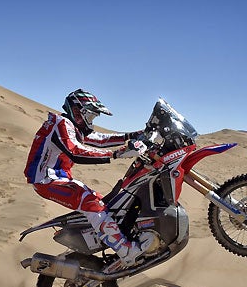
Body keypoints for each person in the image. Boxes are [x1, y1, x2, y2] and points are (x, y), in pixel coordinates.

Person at [24, 89, 156, 266]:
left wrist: (131, 136)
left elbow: (99, 139)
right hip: (46, 180)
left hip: (59, 178)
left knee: (107, 203)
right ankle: (126, 251)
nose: (91, 121)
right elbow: (75, 152)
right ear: (78, 111)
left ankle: (108, 241)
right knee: (90, 200)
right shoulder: (61, 123)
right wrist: (116, 155)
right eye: (91, 116)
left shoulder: (72, 127)